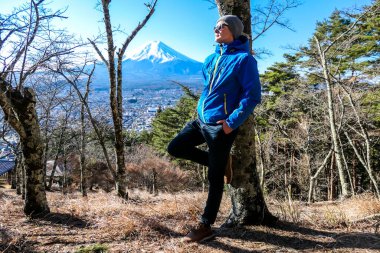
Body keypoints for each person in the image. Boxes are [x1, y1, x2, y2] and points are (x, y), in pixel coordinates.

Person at [167, 15, 261, 243]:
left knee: (215, 177)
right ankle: (219, 162)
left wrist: (231, 123)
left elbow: (252, 96)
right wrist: (200, 111)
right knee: (175, 147)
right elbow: (209, 90)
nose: (216, 29)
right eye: (215, 26)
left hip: (221, 126)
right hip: (201, 120)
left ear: (235, 30)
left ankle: (205, 225)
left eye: (222, 26)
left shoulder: (244, 60)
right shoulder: (210, 58)